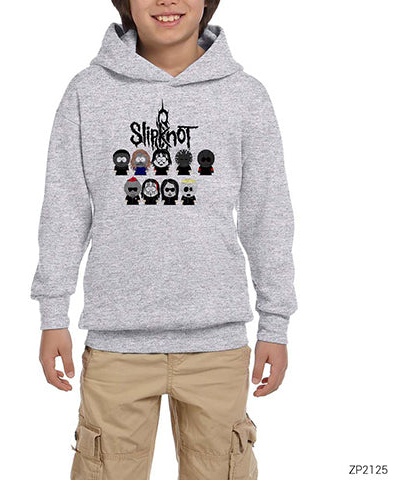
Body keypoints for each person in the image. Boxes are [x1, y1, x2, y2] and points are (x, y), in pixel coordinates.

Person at [30, 1, 298, 479]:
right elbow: (65, 209)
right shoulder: (88, 92)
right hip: (116, 343)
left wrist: (275, 324)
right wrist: (53, 315)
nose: (167, 1)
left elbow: (267, 216)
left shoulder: (244, 95)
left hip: (217, 344)